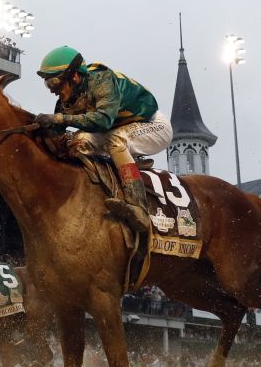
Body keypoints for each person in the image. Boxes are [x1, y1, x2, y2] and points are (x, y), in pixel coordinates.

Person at [34, 46, 172, 233]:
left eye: (54, 82)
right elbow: (56, 136)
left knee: (116, 141)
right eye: (47, 84)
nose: (52, 90)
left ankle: (139, 208)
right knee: (77, 142)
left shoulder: (101, 79)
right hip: (117, 128)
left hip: (152, 124)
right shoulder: (65, 101)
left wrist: (59, 118)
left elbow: (103, 120)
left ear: (74, 76)